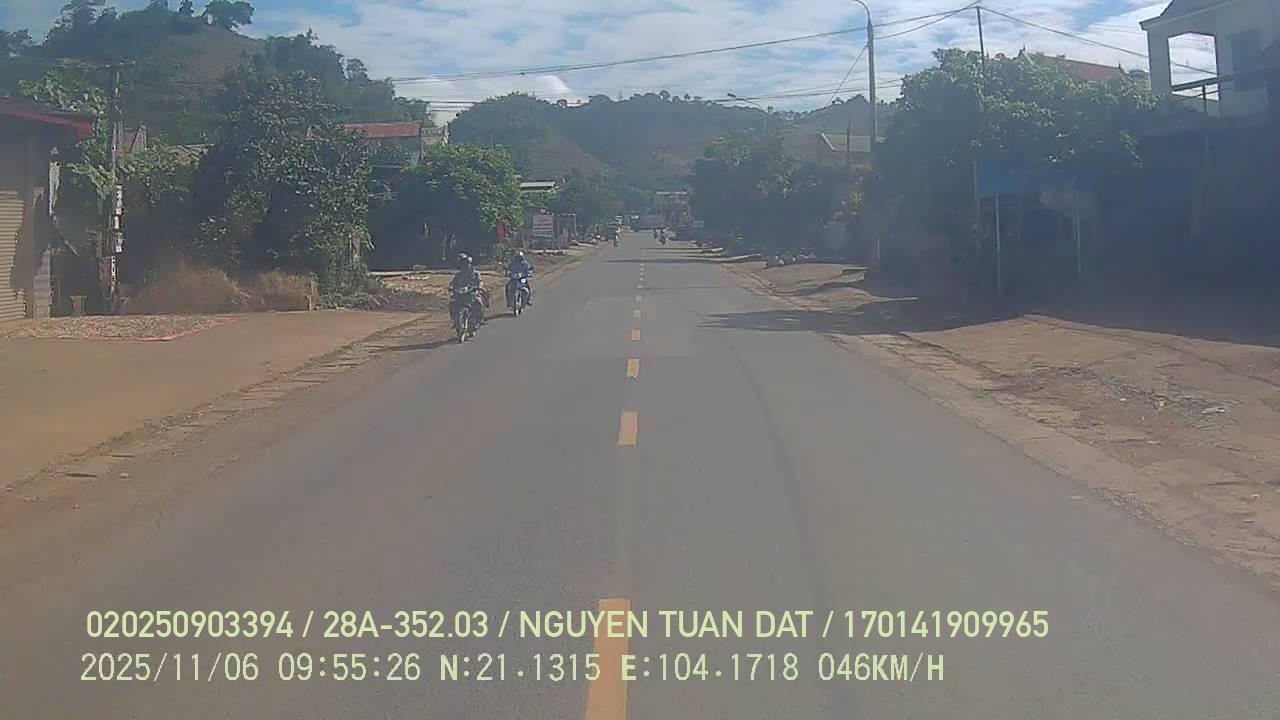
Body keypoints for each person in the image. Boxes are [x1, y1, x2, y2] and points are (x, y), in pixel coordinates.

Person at [450, 254, 485, 328]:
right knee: (452, 304)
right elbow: (453, 283)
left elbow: (480, 281)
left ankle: (479, 319)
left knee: (479, 302)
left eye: (466, 264)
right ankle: (455, 320)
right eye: (463, 264)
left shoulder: (475, 273)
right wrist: (451, 287)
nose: (465, 266)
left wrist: (479, 287)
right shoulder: (458, 275)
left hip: (472, 292)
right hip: (460, 293)